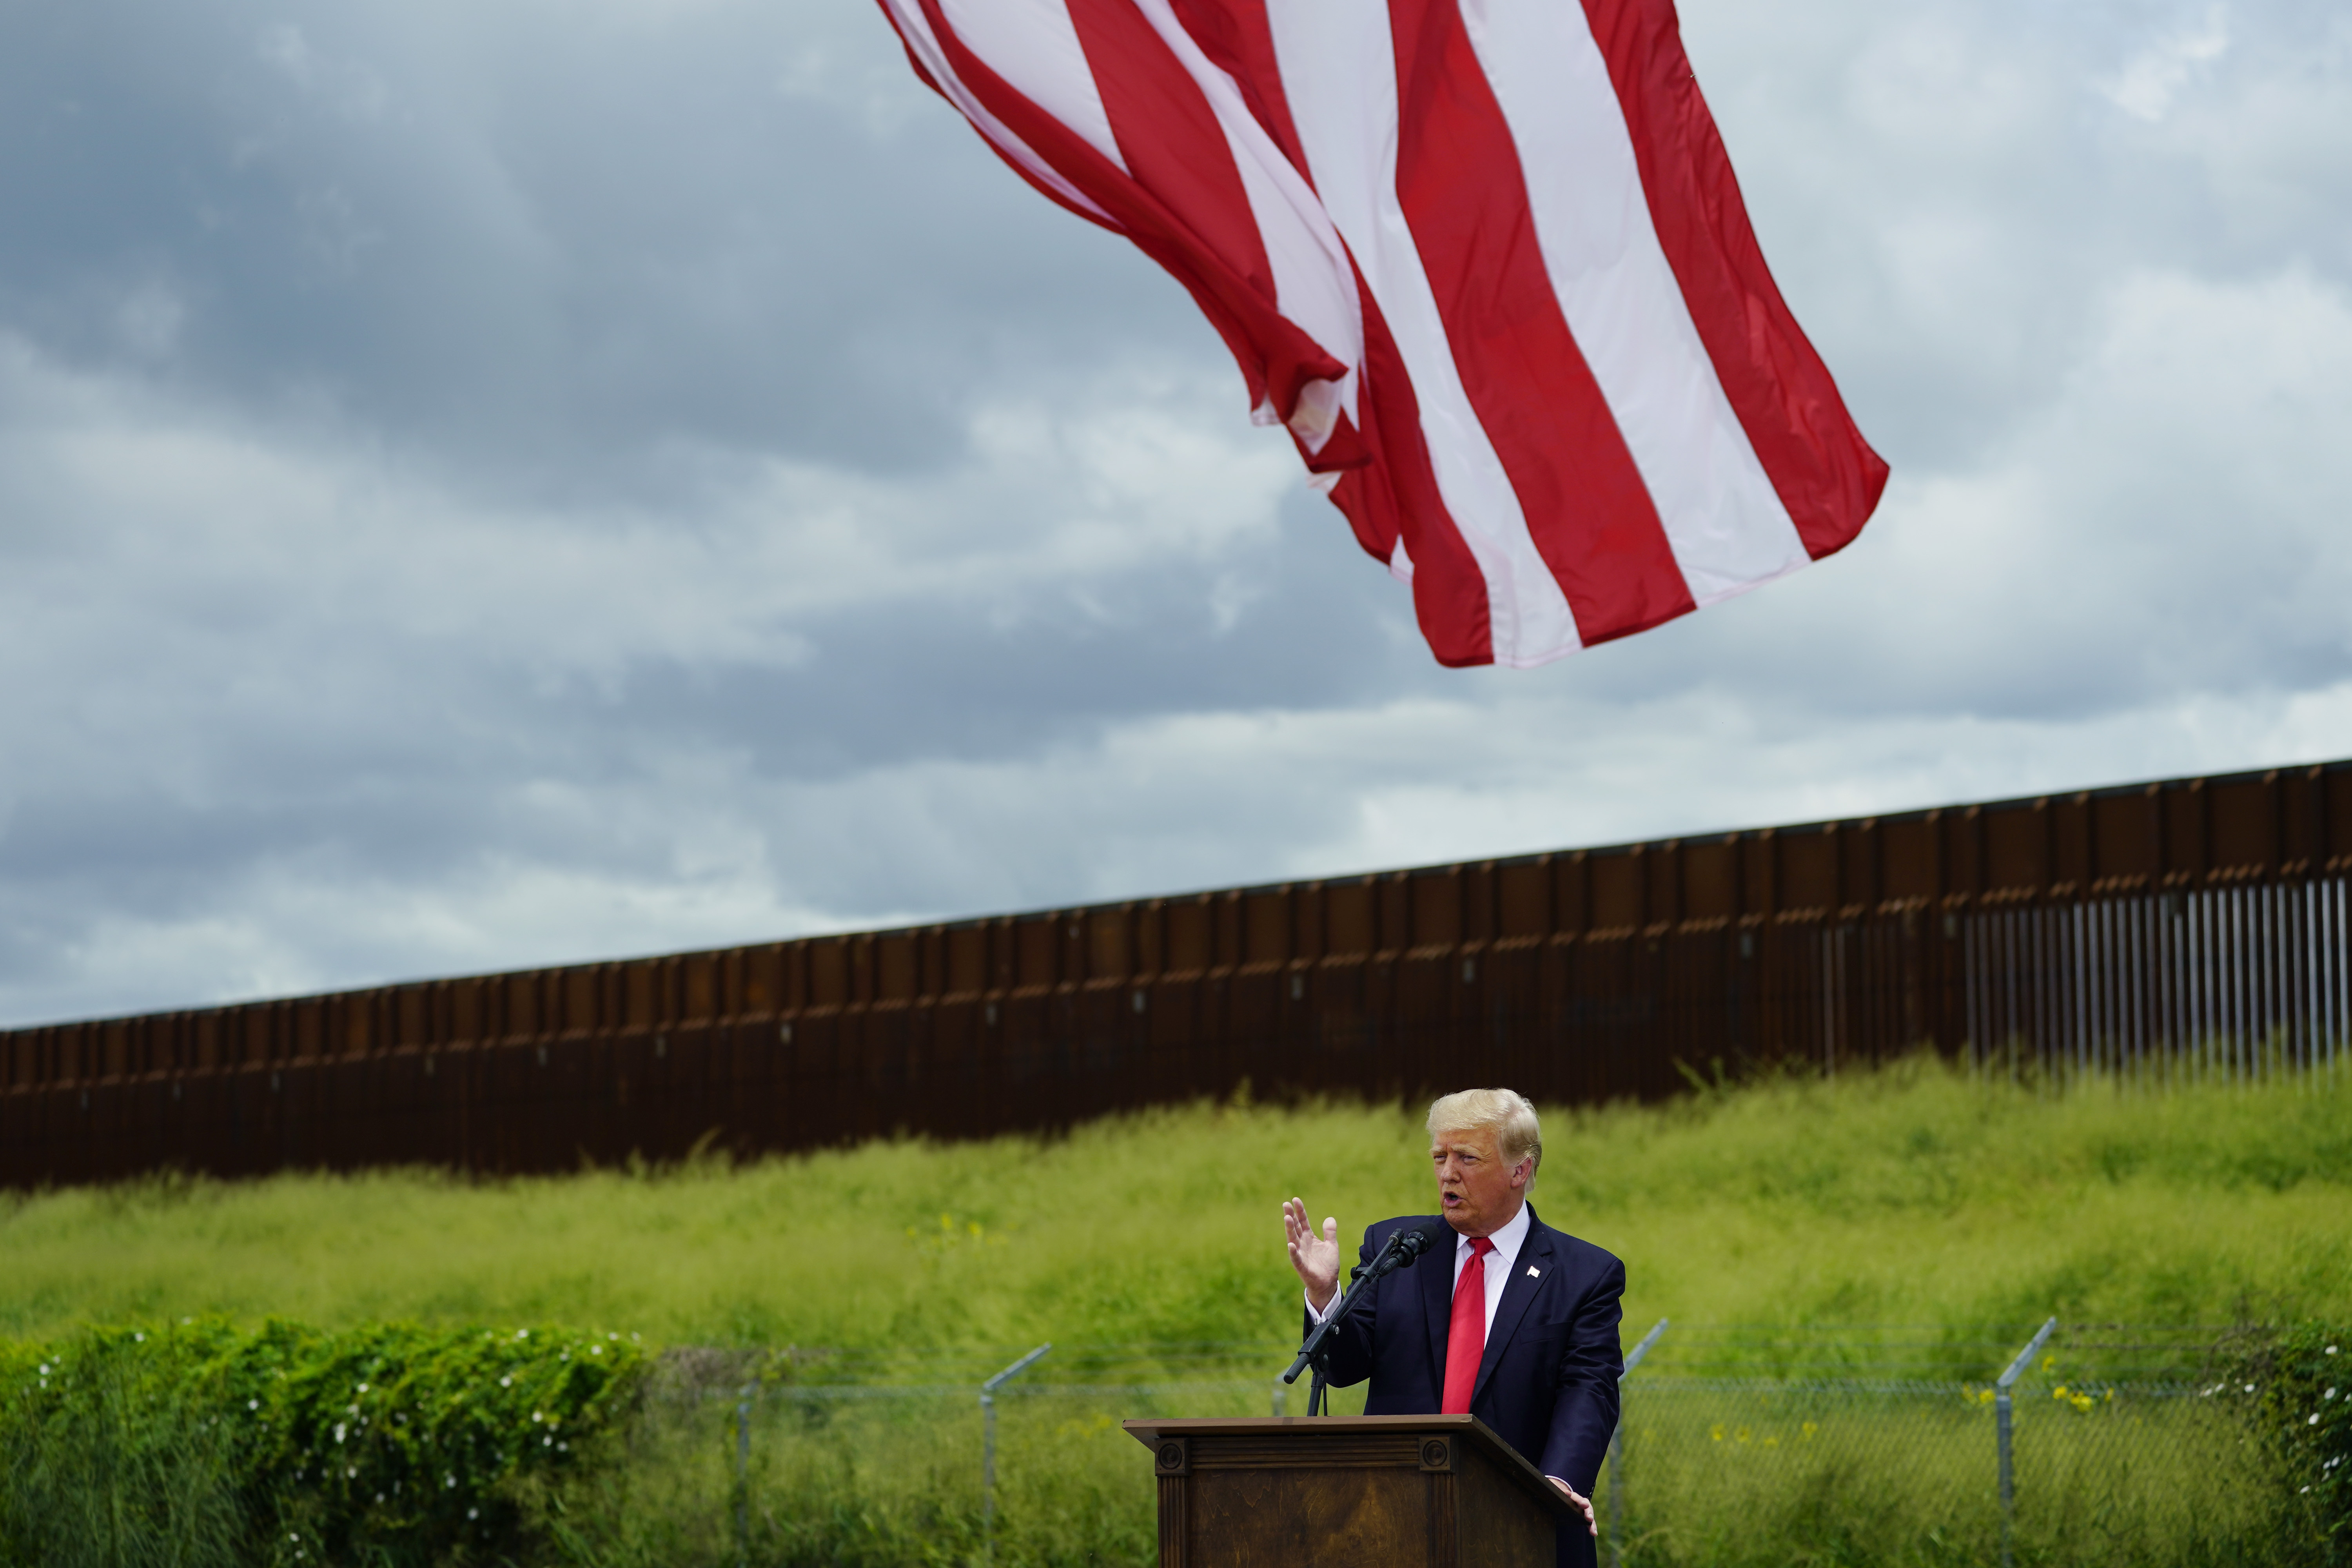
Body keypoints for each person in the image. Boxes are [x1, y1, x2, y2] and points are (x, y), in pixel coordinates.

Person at [1283, 1087, 1624, 1568]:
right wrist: (1324, 1295)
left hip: (1522, 1525)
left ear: (1519, 1170)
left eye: (1467, 1157)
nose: (1448, 1173)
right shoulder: (1396, 1248)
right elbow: (1343, 1368)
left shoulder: (1585, 1274)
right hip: (1392, 1522)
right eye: (1440, 1156)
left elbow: (1589, 1388)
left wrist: (1558, 1484)